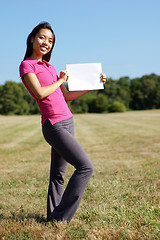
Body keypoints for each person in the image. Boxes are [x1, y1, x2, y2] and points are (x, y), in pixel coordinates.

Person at [19, 22, 106, 222]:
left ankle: (53, 215)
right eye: (42, 38)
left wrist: (94, 85)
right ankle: (60, 218)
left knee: (58, 174)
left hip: (67, 121)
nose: (46, 43)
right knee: (86, 167)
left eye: (50, 41)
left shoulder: (50, 67)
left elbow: (65, 96)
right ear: (32, 38)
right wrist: (60, 80)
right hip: (53, 125)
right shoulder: (27, 65)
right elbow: (40, 93)